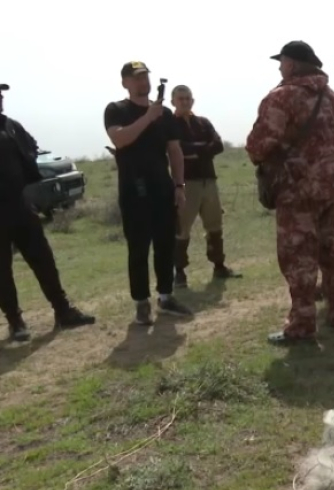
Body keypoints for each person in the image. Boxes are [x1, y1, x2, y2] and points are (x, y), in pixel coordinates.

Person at [246, 41, 334, 344]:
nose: (280, 68)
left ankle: (302, 324)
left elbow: (257, 145)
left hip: (298, 189)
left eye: (281, 62)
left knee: (298, 257)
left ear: (292, 64)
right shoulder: (332, 98)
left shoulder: (281, 97)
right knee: (332, 251)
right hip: (332, 186)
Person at [0, 83, 95, 340]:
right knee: (2, 270)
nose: (0, 97)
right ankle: (15, 321)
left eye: (0, 93)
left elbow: (31, 146)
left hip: (20, 204)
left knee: (43, 258)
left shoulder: (10, 125)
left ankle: (63, 311)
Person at [104, 61, 193, 325]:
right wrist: (147, 118)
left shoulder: (165, 114)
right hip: (133, 191)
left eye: (145, 77)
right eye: (136, 78)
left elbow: (174, 151)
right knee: (138, 249)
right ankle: (141, 304)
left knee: (165, 246)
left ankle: (166, 298)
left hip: (162, 189)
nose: (143, 82)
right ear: (125, 83)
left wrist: (179, 186)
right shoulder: (116, 110)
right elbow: (120, 139)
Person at [169, 84, 240, 287]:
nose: (184, 102)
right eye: (180, 98)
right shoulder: (170, 125)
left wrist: (195, 151)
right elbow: (178, 149)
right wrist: (200, 148)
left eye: (187, 98)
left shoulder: (202, 123)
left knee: (215, 225)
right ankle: (180, 272)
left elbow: (217, 145)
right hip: (185, 183)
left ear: (193, 101)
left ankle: (219, 266)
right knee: (182, 228)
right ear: (173, 101)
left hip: (209, 181)